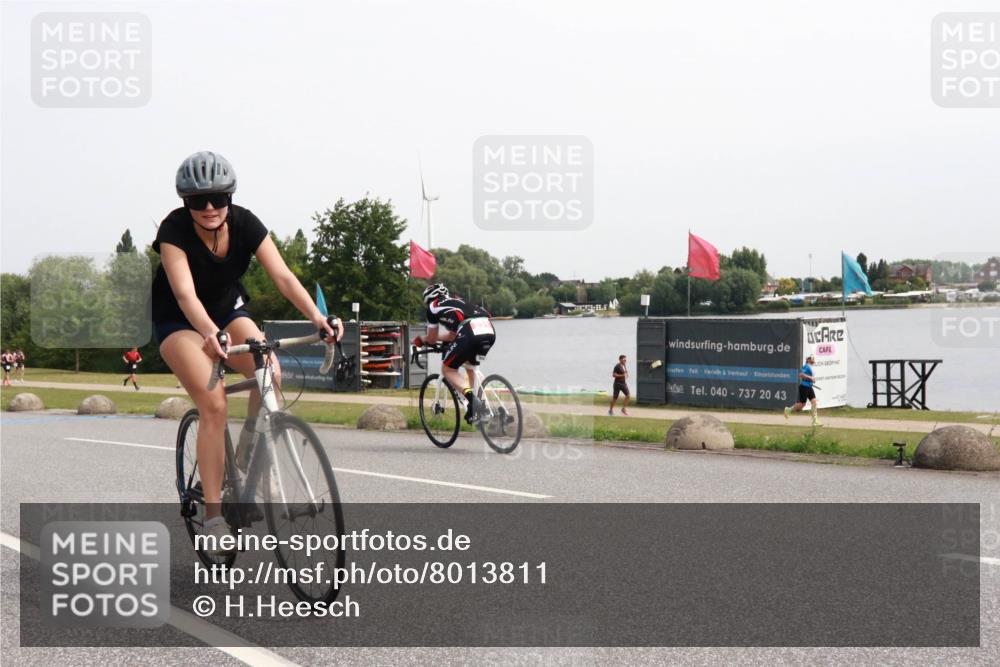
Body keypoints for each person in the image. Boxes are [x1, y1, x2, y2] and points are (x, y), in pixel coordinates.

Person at [152, 151, 343, 551]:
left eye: (218, 198)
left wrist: (318, 320)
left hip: (227, 311)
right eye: (196, 201)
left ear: (230, 198)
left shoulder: (245, 223)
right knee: (214, 402)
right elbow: (185, 294)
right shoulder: (174, 230)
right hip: (181, 321)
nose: (208, 208)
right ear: (184, 203)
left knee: (269, 373)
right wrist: (208, 332)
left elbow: (284, 277)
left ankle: (240, 463)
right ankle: (215, 516)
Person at [412, 283, 495, 424]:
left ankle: (472, 400)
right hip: (488, 329)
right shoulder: (459, 301)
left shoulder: (433, 307)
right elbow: (452, 336)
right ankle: (480, 408)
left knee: (448, 369)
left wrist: (421, 340)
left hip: (469, 332)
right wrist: (442, 338)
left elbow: (431, 338)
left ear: (428, 299)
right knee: (470, 366)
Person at [784, 354, 822, 426]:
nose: (813, 359)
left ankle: (815, 421)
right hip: (804, 387)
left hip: (809, 386)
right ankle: (788, 410)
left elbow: (808, 377)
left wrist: (812, 379)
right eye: (811, 358)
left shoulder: (811, 367)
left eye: (813, 358)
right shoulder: (806, 366)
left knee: (814, 402)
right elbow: (801, 375)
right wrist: (810, 378)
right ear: (808, 360)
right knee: (802, 404)